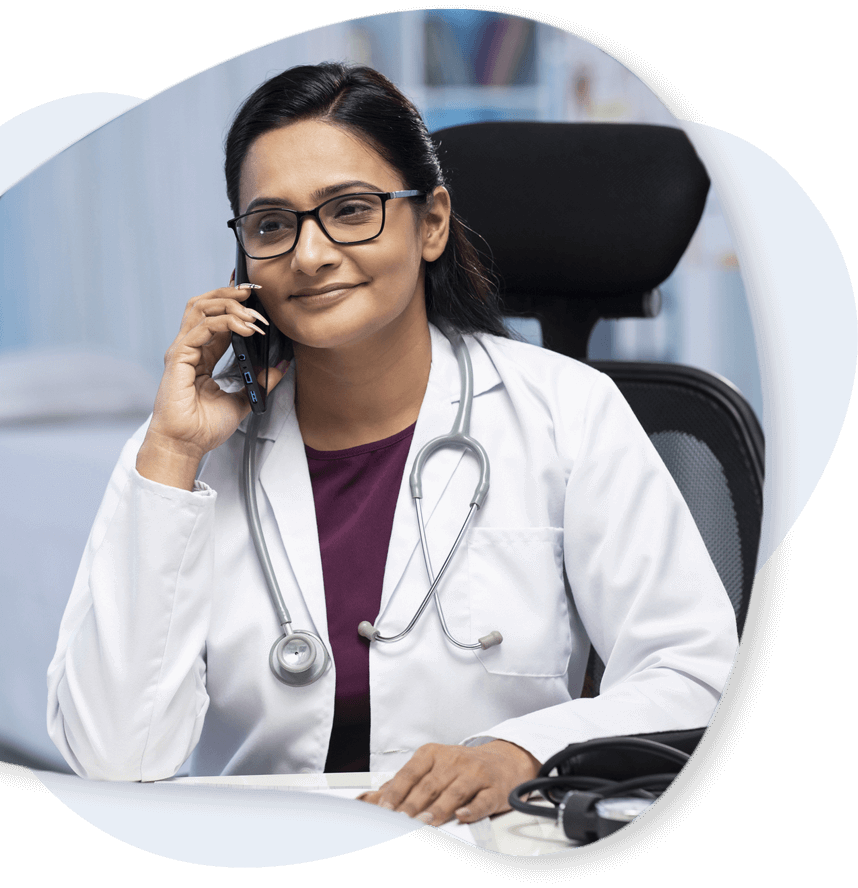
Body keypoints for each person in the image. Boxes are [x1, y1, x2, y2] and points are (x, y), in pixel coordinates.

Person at [47, 62, 739, 827]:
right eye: (272, 224)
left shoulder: (565, 413)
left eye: (350, 210)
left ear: (431, 222)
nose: (309, 255)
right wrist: (175, 455)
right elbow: (112, 760)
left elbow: (695, 672)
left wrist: (520, 750)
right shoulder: (185, 453)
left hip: (493, 835)